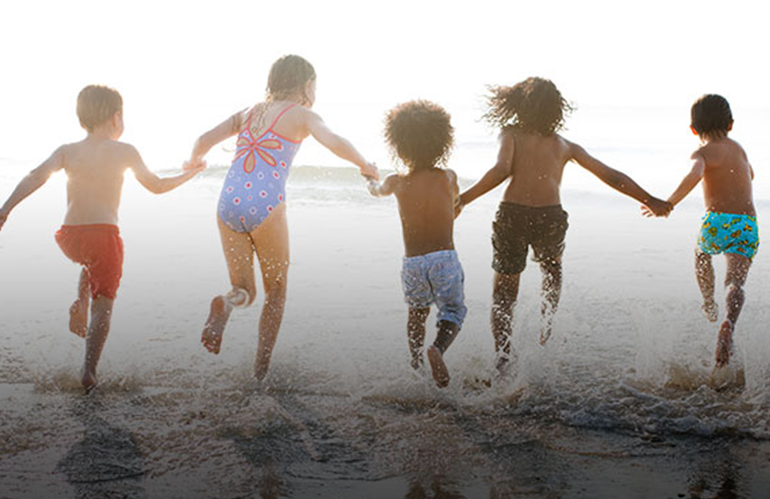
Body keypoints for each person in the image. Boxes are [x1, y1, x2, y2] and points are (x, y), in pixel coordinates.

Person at [458, 77, 670, 375]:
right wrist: (650, 199)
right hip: (550, 216)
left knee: (504, 292)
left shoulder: (511, 134)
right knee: (552, 269)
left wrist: (463, 199)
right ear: (556, 110)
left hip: (513, 215)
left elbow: (501, 170)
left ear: (518, 104)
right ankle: (546, 327)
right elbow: (611, 176)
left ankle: (503, 357)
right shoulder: (565, 145)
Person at [0, 84, 204, 391]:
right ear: (116, 117)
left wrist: (5, 209)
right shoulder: (125, 151)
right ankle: (89, 369)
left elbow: (36, 176)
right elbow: (157, 186)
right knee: (104, 306)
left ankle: (82, 300)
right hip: (104, 235)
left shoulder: (67, 150)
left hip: (70, 236)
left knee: (89, 263)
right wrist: (192, 173)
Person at [189, 55, 379, 381]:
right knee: (275, 292)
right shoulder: (303, 115)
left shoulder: (249, 112)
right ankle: (260, 372)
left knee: (244, 290)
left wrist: (193, 162)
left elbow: (203, 140)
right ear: (307, 84)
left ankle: (227, 302)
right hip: (265, 205)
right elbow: (334, 141)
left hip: (228, 203)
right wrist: (366, 165)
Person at [644, 94, 758, 368]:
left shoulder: (702, 154)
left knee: (701, 255)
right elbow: (751, 174)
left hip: (716, 220)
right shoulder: (739, 149)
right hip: (746, 223)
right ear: (731, 124)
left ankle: (708, 301)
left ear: (693, 129)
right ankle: (729, 321)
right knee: (735, 281)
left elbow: (694, 175)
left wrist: (669, 203)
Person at [368, 99, 466, 388]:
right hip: (444, 259)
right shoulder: (448, 177)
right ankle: (438, 348)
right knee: (453, 311)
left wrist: (369, 178)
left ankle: (416, 364)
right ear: (442, 144)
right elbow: (455, 205)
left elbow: (375, 191)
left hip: (412, 263)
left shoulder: (395, 181)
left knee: (417, 314)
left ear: (398, 147)